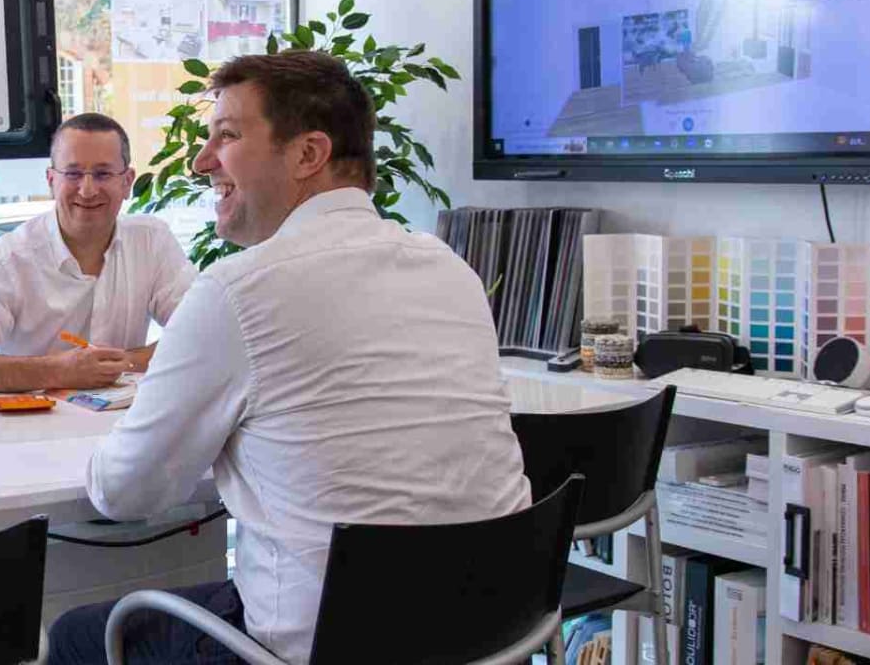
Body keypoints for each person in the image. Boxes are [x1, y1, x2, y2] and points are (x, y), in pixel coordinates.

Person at [47, 52, 532, 665]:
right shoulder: (451, 270)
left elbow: (124, 493)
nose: (201, 161)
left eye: (227, 135)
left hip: (324, 648)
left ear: (308, 154)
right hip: (492, 634)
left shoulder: (238, 292)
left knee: (76, 636)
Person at [0, 112, 198, 393]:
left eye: (103, 174)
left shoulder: (151, 241)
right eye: (73, 174)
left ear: (127, 182)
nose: (87, 190)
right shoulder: (9, 258)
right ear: (51, 181)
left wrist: (125, 363)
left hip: (128, 418)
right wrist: (60, 371)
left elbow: (204, 331)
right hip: (33, 419)